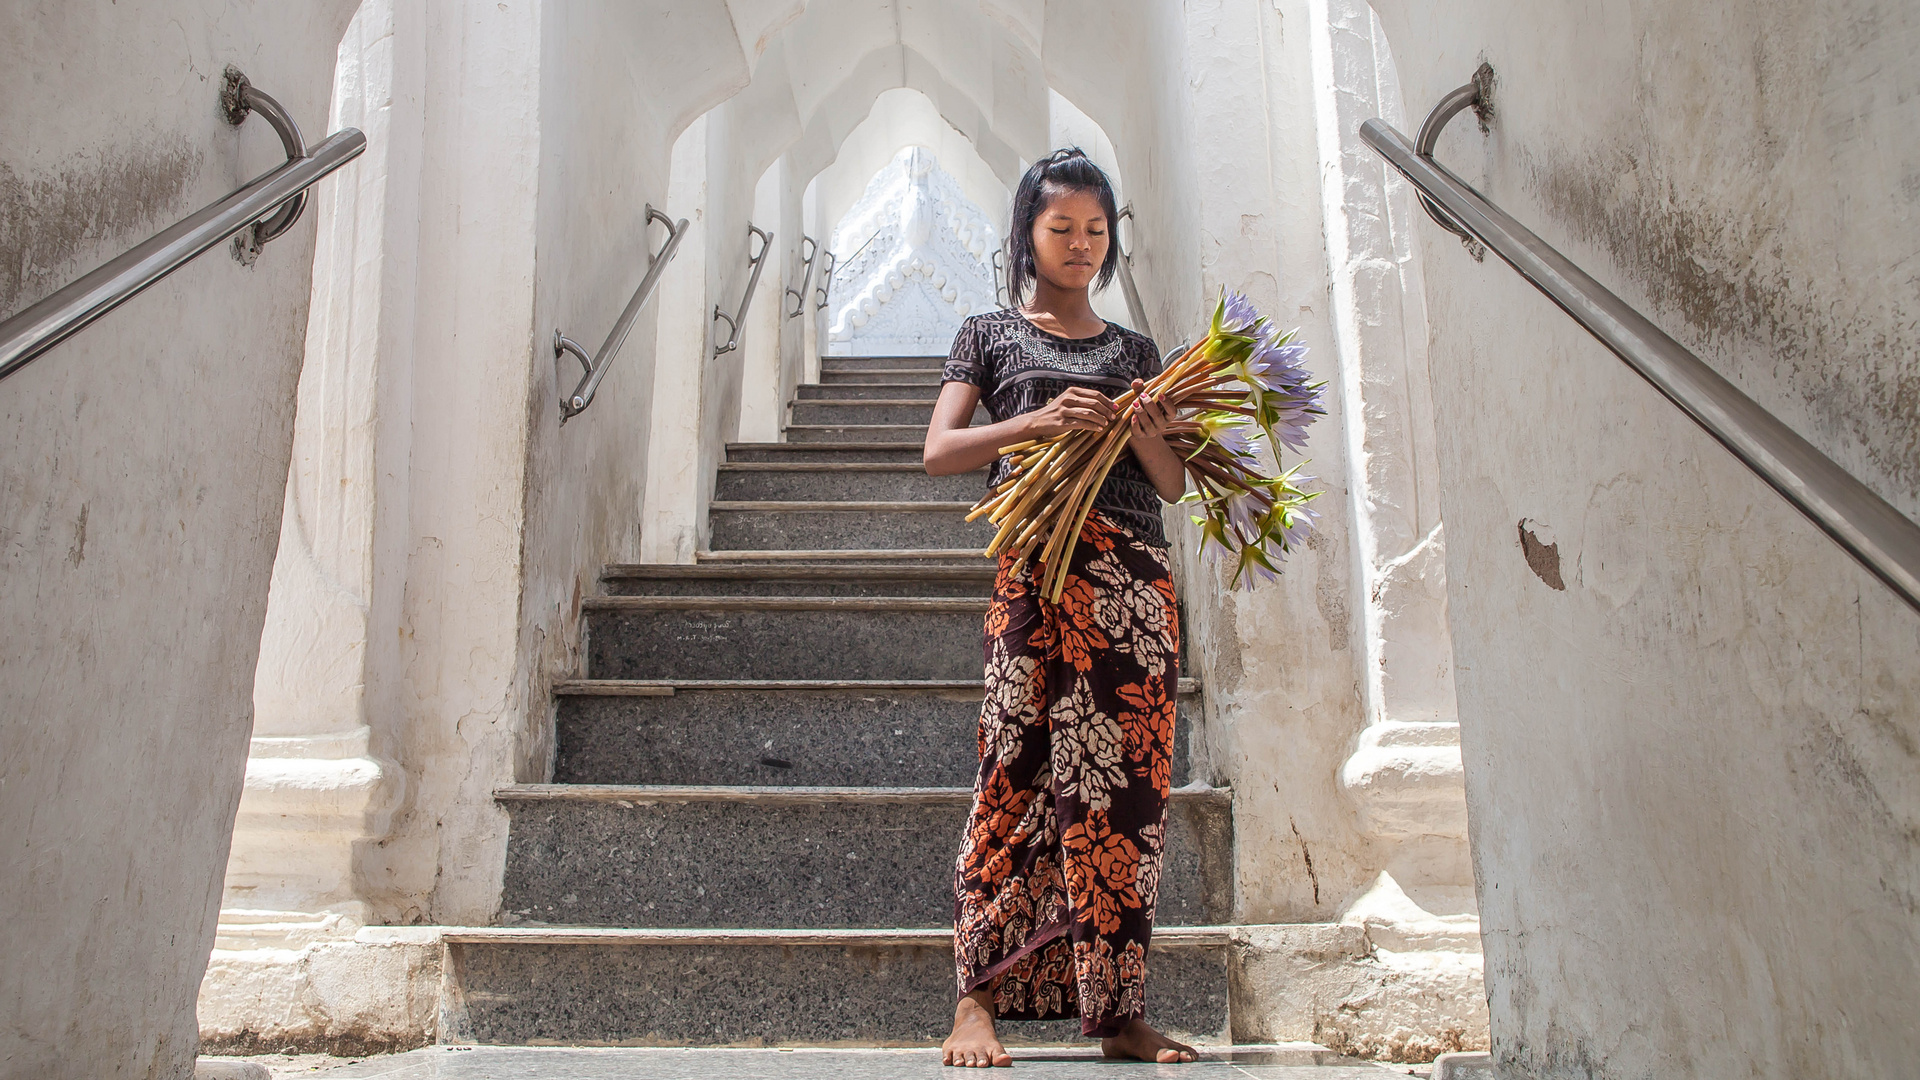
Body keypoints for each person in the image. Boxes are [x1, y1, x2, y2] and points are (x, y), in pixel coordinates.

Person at [924, 148, 1196, 1068]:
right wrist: (1037, 423)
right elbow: (941, 451)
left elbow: (1171, 484)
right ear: (1027, 236)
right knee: (1013, 773)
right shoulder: (989, 335)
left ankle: (1118, 1014)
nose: (1081, 245)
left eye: (1095, 229)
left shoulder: (1135, 353)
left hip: (1130, 593)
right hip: (1035, 585)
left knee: (1126, 799)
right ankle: (975, 1003)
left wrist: (1153, 434)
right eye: (1060, 228)